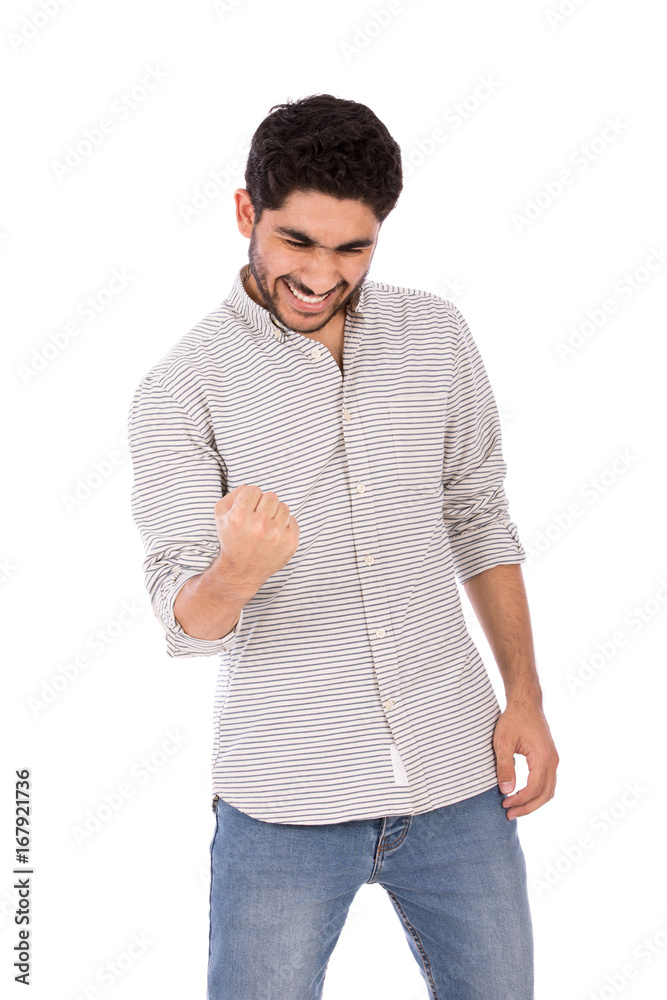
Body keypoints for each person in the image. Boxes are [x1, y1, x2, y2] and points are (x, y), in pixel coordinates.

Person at [128, 93, 559, 1000]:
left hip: (457, 775)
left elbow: (477, 515)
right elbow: (183, 620)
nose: (322, 275)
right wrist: (235, 573)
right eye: (297, 242)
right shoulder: (182, 388)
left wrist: (523, 694)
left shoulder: (434, 334)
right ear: (245, 213)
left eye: (352, 249)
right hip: (285, 802)